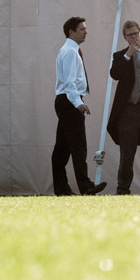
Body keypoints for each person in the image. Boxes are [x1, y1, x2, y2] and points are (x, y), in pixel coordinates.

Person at [52, 16, 107, 196]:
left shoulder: (70, 50)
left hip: (66, 100)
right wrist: (78, 103)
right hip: (69, 101)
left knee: (62, 149)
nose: (86, 32)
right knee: (78, 146)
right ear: (71, 32)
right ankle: (85, 186)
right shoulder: (70, 52)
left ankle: (62, 188)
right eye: (82, 29)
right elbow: (70, 82)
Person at [107, 19, 140, 195]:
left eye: (136, 33)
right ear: (125, 38)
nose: (134, 37)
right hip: (128, 111)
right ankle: (123, 190)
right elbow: (114, 74)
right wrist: (128, 54)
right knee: (127, 155)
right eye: (130, 35)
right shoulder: (119, 56)